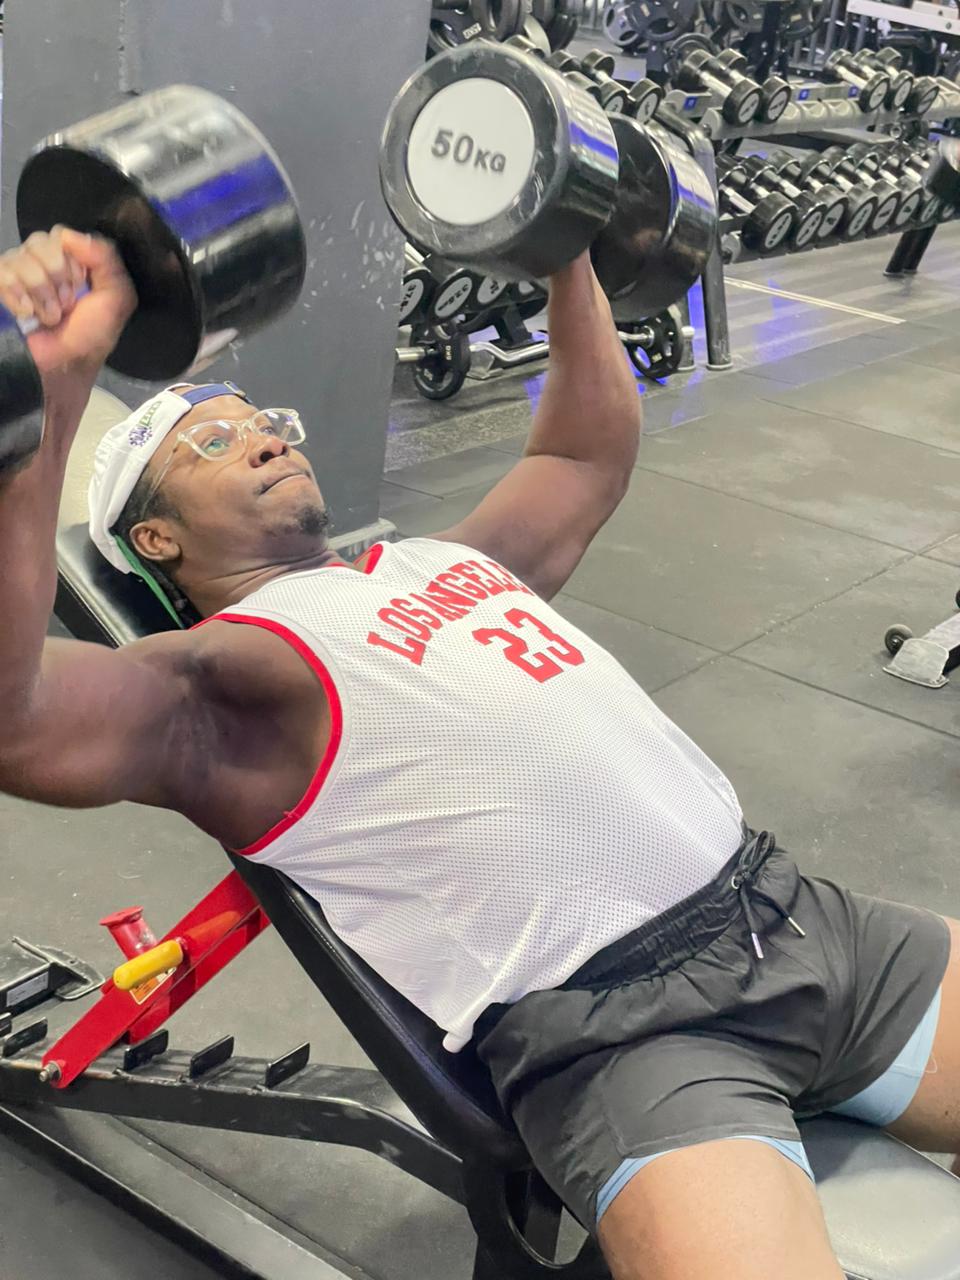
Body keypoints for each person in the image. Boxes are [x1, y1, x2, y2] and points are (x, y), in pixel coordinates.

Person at [0, 226, 957, 1280]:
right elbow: (21, 718)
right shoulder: (225, 678)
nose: (266, 439)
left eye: (265, 423)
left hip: (799, 919)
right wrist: (52, 391)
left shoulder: (437, 561)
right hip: (634, 1038)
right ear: (156, 539)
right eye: (215, 444)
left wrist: (562, 253)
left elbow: (581, 458)